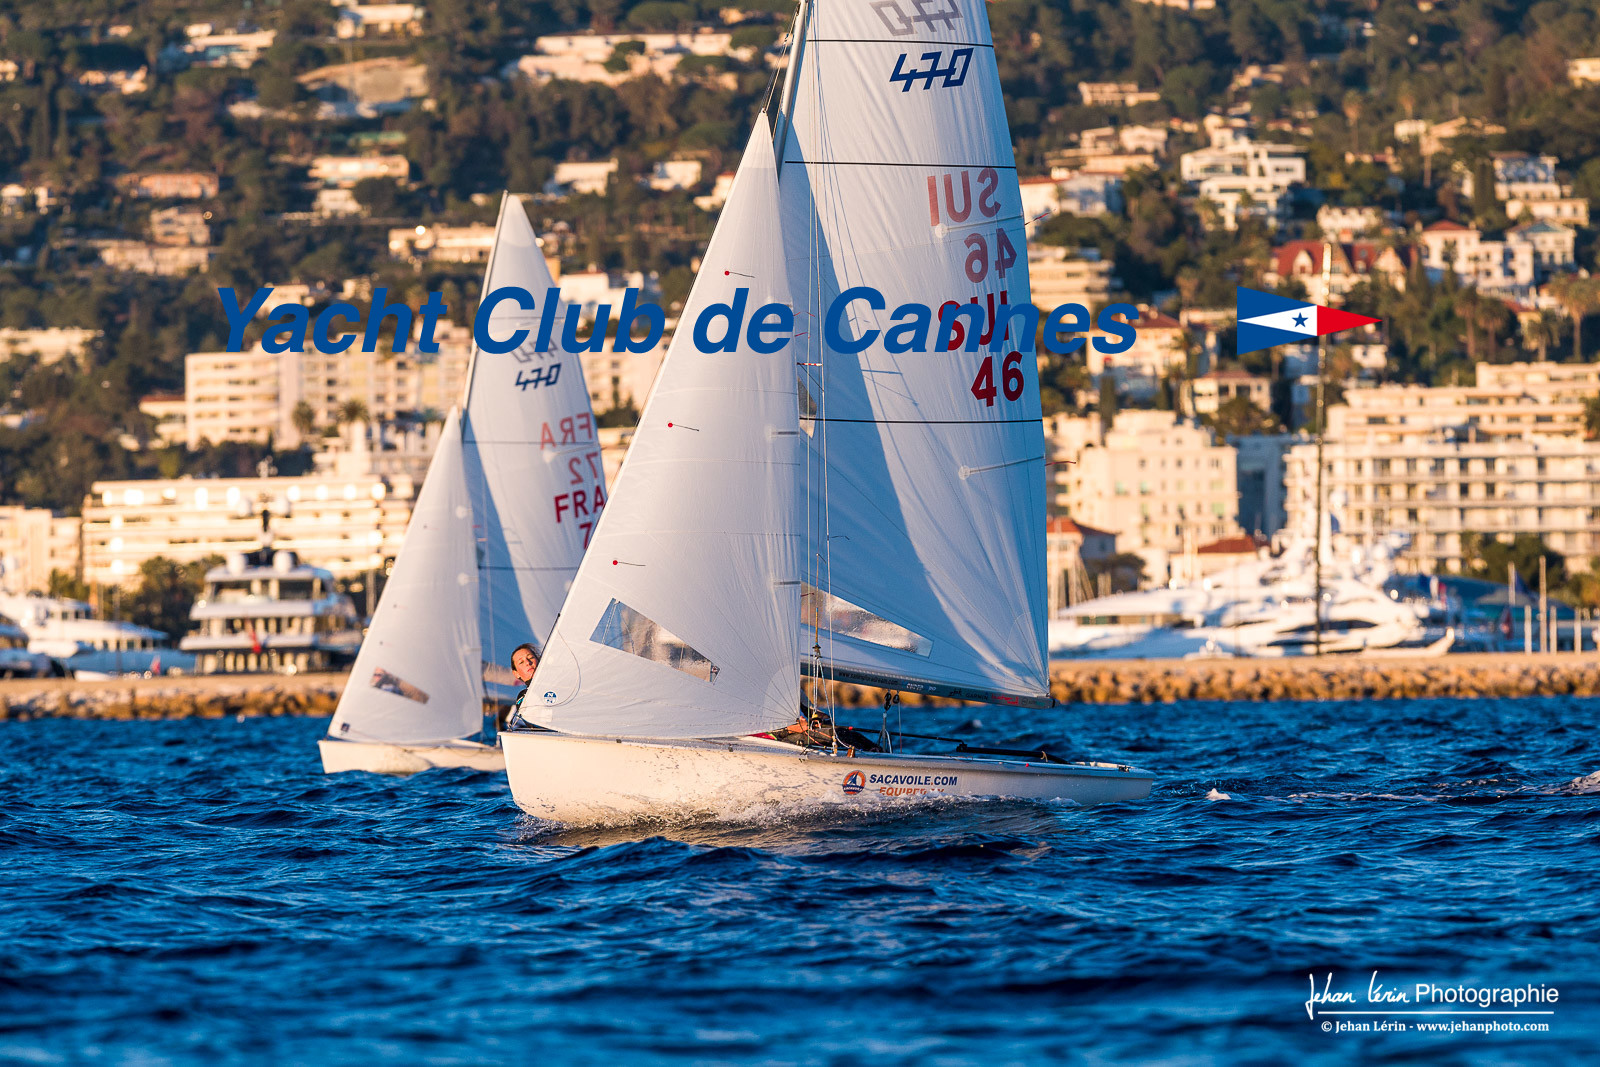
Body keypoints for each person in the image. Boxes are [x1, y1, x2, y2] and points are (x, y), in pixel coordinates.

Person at [502, 642, 539, 730]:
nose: (527, 662)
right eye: (521, 662)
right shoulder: (524, 697)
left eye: (530, 657)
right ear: (516, 673)